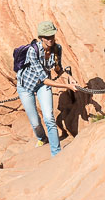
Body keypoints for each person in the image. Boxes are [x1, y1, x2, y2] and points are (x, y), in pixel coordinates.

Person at [17, 21, 77, 156]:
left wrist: (69, 78)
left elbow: (58, 69)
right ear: (41, 38)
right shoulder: (33, 51)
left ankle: (56, 153)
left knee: (49, 118)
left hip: (42, 85)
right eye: (47, 37)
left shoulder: (57, 48)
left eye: (52, 36)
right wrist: (67, 86)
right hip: (26, 86)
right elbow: (45, 79)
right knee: (35, 122)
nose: (50, 39)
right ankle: (42, 138)